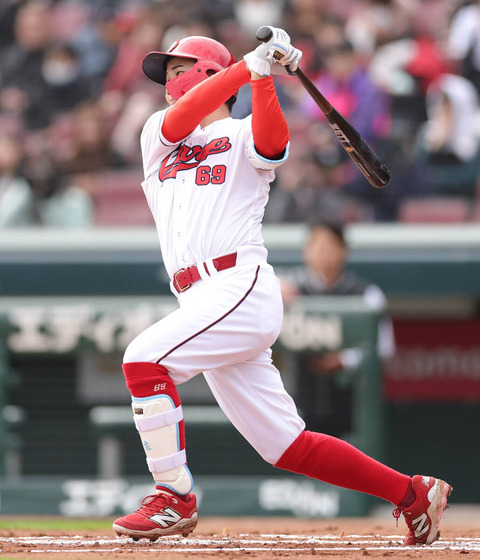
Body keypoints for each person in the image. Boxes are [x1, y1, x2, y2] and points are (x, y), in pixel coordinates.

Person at [112, 27, 451, 545]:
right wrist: (249, 65)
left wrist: (263, 75)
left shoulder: (241, 133)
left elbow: (272, 145)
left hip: (238, 285)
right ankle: (412, 493)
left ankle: (173, 496)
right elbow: (183, 117)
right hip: (198, 298)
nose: (169, 82)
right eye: (168, 74)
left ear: (207, 73)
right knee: (286, 446)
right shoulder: (158, 134)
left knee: (143, 360)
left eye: (179, 70)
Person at [280, 220, 395, 435]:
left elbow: (385, 347)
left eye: (328, 245)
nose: (321, 252)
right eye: (315, 245)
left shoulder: (365, 294)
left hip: (350, 409)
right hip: (299, 407)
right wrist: (276, 286)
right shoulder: (290, 290)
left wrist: (345, 359)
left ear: (343, 250)